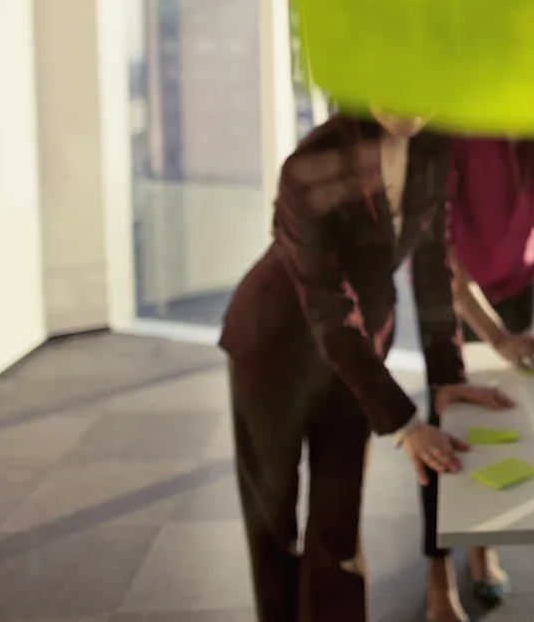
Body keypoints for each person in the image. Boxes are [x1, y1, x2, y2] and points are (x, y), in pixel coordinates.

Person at [220, 107, 515, 622]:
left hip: (355, 355)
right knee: (274, 523)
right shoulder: (310, 164)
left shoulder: (433, 146)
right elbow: (328, 308)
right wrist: (406, 425)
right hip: (274, 350)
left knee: (337, 525)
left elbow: (434, 267)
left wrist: (448, 381)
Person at [436, 135, 534, 605]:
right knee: (443, 429)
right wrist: (496, 336)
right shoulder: (458, 131)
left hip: (515, 283)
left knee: (496, 418)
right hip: (444, 289)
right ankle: (436, 574)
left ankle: (482, 545)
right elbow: (436, 244)